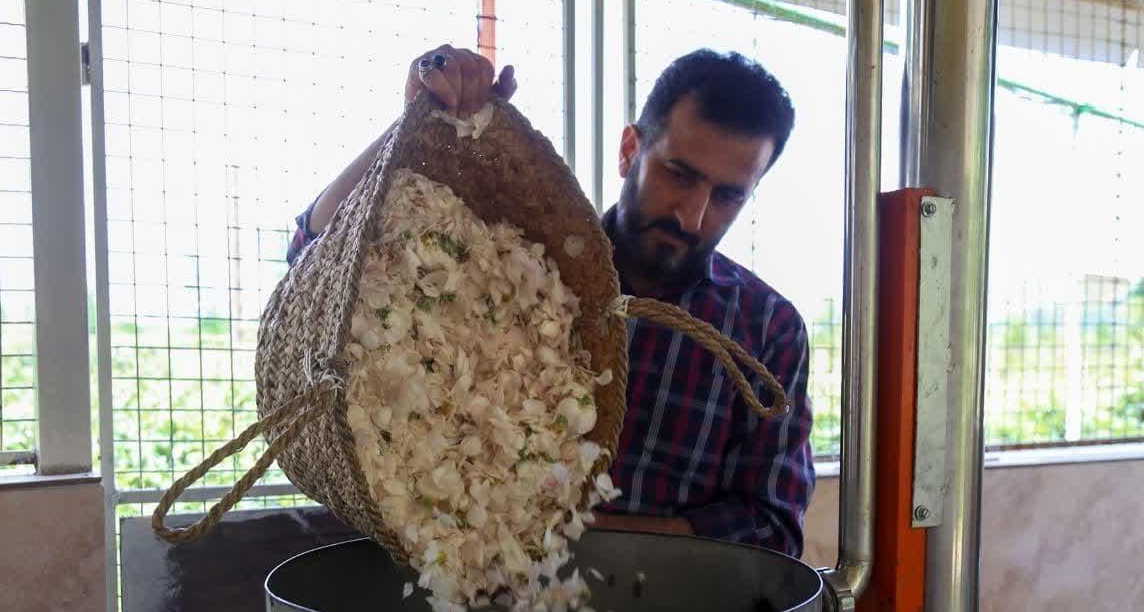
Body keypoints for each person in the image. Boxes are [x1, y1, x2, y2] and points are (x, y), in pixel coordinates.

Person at [285, 45, 814, 558]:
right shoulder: (518, 260)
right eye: (679, 174)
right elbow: (314, 260)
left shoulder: (765, 329)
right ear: (630, 150)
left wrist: (564, 533)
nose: (693, 216)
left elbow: (770, 527)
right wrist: (411, 121)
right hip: (462, 601)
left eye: (729, 195)